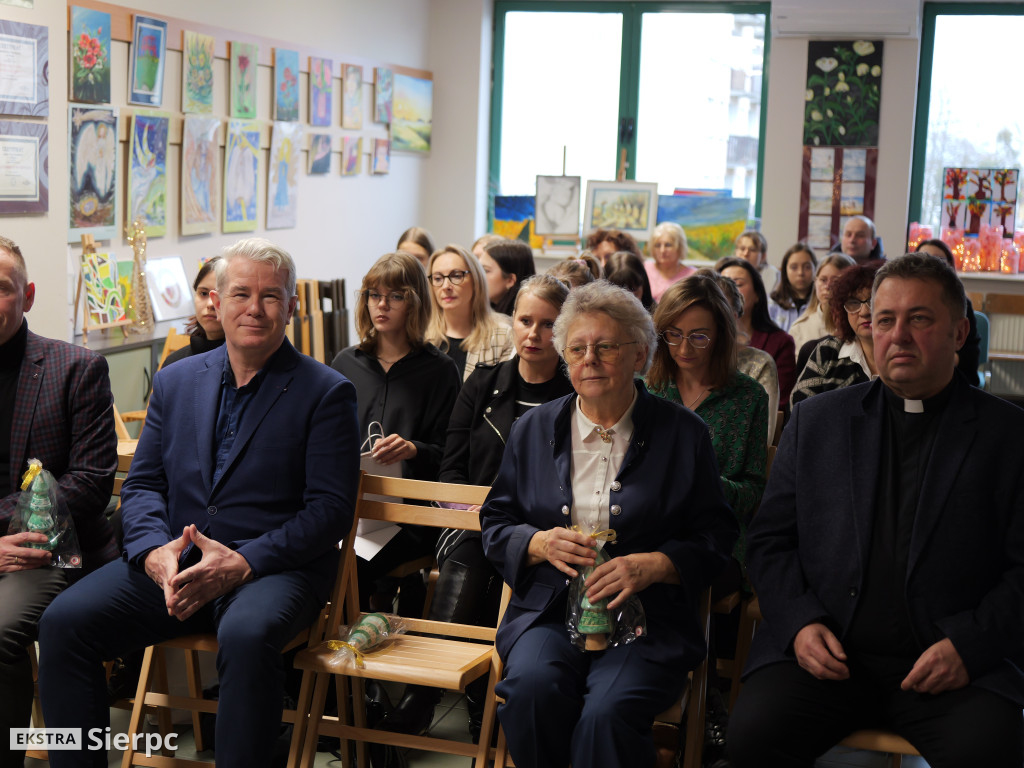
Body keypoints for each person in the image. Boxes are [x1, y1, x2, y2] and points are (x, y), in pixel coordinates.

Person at [38, 238, 360, 768]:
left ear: (292, 307)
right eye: (240, 293)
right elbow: (142, 486)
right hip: (175, 562)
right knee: (63, 623)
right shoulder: (176, 380)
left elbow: (327, 511)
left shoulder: (326, 392)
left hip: (271, 568)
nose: (254, 308)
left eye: (271, 296)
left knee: (248, 633)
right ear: (217, 302)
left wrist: (245, 561)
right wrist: (150, 553)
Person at [728, 253, 1024, 767]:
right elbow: (770, 540)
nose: (899, 335)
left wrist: (969, 646)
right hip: (828, 656)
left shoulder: (1009, 435)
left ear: (957, 333)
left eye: (920, 319)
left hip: (953, 664)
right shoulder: (817, 422)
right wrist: (798, 624)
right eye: (885, 320)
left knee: (994, 749)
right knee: (750, 738)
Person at [481, 280, 737, 768]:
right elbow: (496, 518)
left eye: (605, 347)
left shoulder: (685, 434)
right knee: (533, 692)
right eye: (576, 348)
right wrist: (536, 542)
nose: (589, 359)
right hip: (551, 610)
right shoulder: (532, 429)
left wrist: (657, 565)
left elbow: (717, 535)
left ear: (640, 354)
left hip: (648, 618)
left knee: (607, 713)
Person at [380, 275, 574, 739]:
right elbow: (451, 468)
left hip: (539, 532)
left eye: (548, 325)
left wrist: (503, 527)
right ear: (513, 323)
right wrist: (467, 512)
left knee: (492, 561)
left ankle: (439, 697)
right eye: (525, 320)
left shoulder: (574, 398)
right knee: (473, 552)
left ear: (565, 330)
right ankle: (455, 698)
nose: (533, 334)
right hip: (466, 521)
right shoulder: (483, 385)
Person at [0, 237, 117, 768]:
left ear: (26, 296)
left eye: (1, 289)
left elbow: (91, 483)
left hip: (52, 551)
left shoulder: (76, 368)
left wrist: (13, 528)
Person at [331, 251, 460, 611]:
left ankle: (344, 660)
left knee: (348, 567)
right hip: (349, 509)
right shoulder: (345, 363)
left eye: (395, 296)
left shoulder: (439, 370)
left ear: (414, 302)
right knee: (305, 559)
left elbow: (451, 456)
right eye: (374, 295)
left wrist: (413, 449)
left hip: (407, 517)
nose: (381, 305)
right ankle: (310, 664)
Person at [647, 272, 768, 567]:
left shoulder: (748, 396)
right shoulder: (648, 388)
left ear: (721, 336)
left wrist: (705, 481)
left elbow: (753, 494)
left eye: (699, 336)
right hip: (648, 527)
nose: (685, 349)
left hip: (715, 535)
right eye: (673, 334)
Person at [791, 262, 883, 405]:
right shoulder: (828, 352)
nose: (865, 312)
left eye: (872, 301)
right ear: (842, 309)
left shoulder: (904, 352)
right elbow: (799, 413)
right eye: (854, 302)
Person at [716, 257, 796, 409]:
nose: (728, 291)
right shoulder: (706, 341)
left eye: (738, 284)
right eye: (722, 285)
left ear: (757, 294)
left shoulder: (780, 342)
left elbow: (780, 403)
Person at [426, 244, 515, 381]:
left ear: (475, 280)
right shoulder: (421, 334)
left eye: (456, 276)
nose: (445, 286)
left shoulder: (503, 337)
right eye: (438, 278)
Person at [714, 271, 780, 447]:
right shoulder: (681, 357)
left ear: (734, 317)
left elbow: (761, 441)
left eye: (719, 311)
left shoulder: (758, 364)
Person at [914, 239, 982, 382]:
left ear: (949, 266)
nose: (929, 266)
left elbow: (970, 355)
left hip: (954, 378)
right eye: (922, 259)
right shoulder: (903, 303)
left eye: (938, 260)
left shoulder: (962, 304)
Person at [162, 257, 225, 368]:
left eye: (220, 296)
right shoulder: (174, 364)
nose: (210, 304)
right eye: (204, 293)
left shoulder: (246, 363)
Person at [790, 252, 856, 357]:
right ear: (815, 282)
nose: (828, 286)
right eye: (823, 280)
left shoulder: (859, 324)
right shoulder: (799, 328)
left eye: (836, 281)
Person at [480, 238, 536, 316]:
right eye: (479, 269)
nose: (478, 275)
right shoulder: (487, 309)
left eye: (486, 271)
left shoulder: (517, 320)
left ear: (510, 280)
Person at [768, 243, 817, 332]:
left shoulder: (821, 303)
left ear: (816, 269)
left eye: (807, 267)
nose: (800, 273)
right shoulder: (772, 302)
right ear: (785, 270)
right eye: (794, 267)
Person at [644, 222, 695, 302]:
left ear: (679, 247)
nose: (662, 250)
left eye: (668, 245)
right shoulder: (645, 268)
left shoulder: (692, 275)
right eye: (657, 245)